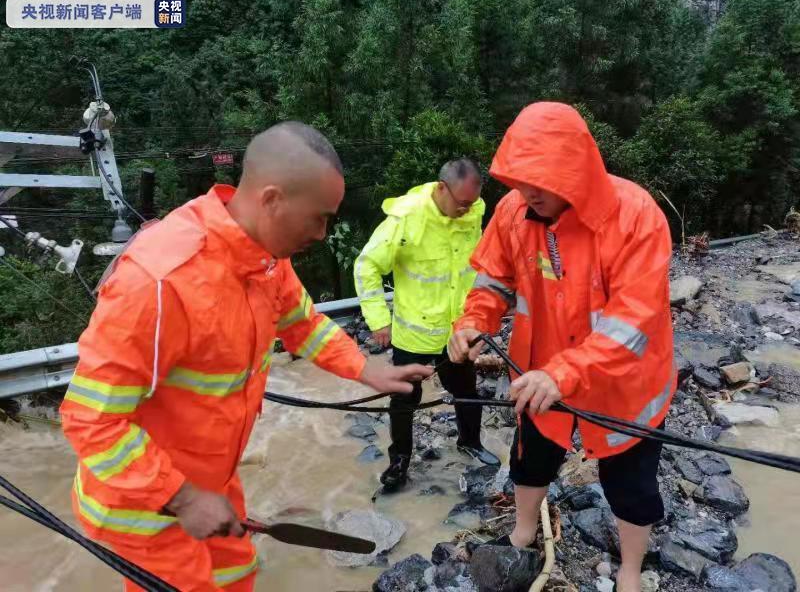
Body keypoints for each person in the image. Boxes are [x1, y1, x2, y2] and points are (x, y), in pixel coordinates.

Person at [59, 122, 432, 592]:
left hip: (209, 483)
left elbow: (302, 322)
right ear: (271, 199)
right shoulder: (159, 282)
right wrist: (182, 497)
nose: (322, 233)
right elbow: (91, 420)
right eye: (318, 217)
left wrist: (366, 369)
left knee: (238, 573)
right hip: (145, 508)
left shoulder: (265, 258)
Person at [448, 102, 675, 592]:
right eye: (520, 180)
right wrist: (473, 322)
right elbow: (493, 281)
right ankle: (524, 530)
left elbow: (632, 321)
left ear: (576, 172)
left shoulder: (635, 216)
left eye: (542, 181)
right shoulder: (513, 212)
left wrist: (565, 372)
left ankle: (631, 570)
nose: (528, 192)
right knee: (530, 459)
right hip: (540, 374)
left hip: (623, 388)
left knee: (631, 486)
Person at [355, 159, 500, 492]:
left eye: (472, 202)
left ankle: (470, 442)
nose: (467, 210)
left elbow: (476, 269)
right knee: (404, 398)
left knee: (466, 391)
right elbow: (366, 266)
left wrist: (477, 321)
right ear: (441, 188)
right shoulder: (407, 219)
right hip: (414, 333)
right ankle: (400, 461)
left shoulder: (474, 210)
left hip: (457, 331)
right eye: (461, 203)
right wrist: (378, 319)